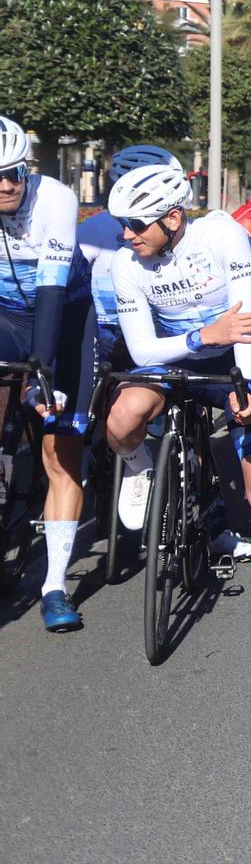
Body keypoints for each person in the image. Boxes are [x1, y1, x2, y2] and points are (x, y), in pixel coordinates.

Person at [102, 163, 251, 643]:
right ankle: (139, 465)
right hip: (175, 358)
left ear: (172, 218)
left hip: (238, 358)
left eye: (134, 224)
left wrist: (247, 387)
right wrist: (202, 334)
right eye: (120, 225)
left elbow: (249, 320)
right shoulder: (124, 265)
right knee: (122, 416)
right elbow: (144, 350)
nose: (125, 235)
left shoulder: (220, 234)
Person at [0, 118, 98, 631]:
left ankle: (55, 586)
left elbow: (52, 292)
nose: (6, 184)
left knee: (61, 449)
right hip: (4, 315)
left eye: (13, 172)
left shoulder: (55, 198)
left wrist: (43, 374)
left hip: (64, 317)